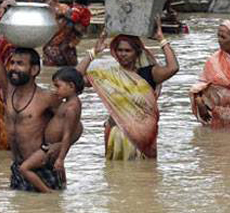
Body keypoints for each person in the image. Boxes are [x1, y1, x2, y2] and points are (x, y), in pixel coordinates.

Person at [0, 0, 64, 191]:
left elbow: (75, 125)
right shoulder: (8, 89)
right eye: (12, 63)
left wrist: (60, 147)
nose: (13, 68)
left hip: (42, 169)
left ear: (35, 69)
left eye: (20, 64)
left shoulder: (47, 98)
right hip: (18, 169)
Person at [76, 20, 179, 160]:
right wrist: (93, 52)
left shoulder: (149, 74)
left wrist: (161, 39)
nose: (123, 54)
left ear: (137, 53)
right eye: (120, 50)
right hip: (116, 133)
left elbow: (173, 68)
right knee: (116, 176)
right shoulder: (108, 75)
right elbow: (74, 79)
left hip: (144, 135)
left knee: (144, 175)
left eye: (127, 50)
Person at [19, 67, 84, 192]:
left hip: (49, 147)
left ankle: (49, 193)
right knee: (59, 176)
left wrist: (61, 158)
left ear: (71, 86)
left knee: (24, 168)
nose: (55, 90)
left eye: (58, 86)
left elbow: (67, 135)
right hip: (50, 145)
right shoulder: (68, 102)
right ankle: (63, 190)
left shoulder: (71, 108)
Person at [41, 0, 92, 66]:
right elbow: (81, 29)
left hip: (53, 51)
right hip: (67, 50)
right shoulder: (66, 8)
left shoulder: (42, 13)